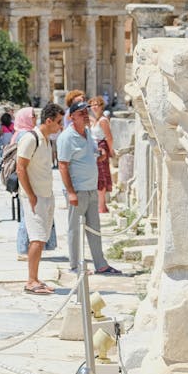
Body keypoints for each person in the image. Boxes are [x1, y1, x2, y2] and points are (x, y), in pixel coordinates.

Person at [57, 99, 121, 276]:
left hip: (91, 188)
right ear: (72, 117)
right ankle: (75, 265)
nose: (85, 116)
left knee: (94, 228)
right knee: (75, 229)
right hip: (77, 190)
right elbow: (63, 166)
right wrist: (70, 192)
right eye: (81, 113)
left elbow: (92, 152)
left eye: (86, 112)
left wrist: (99, 156)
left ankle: (100, 264)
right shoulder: (66, 138)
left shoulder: (86, 132)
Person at [16, 103, 65, 294]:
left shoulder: (46, 139)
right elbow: (21, 168)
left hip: (46, 195)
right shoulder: (30, 138)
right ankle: (30, 281)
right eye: (59, 122)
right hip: (34, 197)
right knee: (36, 239)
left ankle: (36, 278)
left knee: (42, 238)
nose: (61, 126)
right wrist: (31, 196)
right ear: (49, 120)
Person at [89, 95, 114, 214]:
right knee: (99, 177)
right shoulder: (96, 120)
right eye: (92, 105)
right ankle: (102, 205)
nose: (93, 107)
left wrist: (111, 150)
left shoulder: (103, 120)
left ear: (101, 106)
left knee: (101, 177)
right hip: (96, 150)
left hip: (101, 149)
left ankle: (101, 207)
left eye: (96, 105)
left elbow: (109, 137)